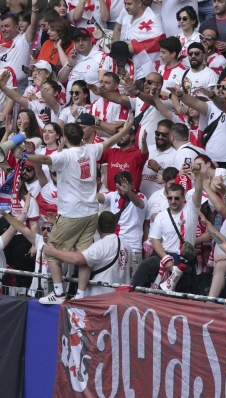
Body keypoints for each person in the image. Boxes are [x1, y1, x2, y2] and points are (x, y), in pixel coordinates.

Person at [32, 116, 134, 304]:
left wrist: (25, 156)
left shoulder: (65, 156)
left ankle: (59, 293)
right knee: (85, 256)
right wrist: (125, 128)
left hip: (71, 214)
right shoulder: (91, 149)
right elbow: (111, 140)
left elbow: (45, 158)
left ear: (63, 137)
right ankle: (80, 295)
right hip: (90, 214)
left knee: (50, 251)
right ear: (82, 137)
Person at [168, 78, 226, 175]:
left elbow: (225, 106)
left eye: (225, 87)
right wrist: (180, 95)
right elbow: (195, 103)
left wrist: (212, 95)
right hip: (211, 161)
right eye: (218, 86)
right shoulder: (211, 105)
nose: (220, 89)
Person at [43, 211, 132, 298]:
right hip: (121, 298)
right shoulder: (126, 245)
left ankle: (58, 294)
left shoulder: (101, 245)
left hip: (100, 298)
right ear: (115, 225)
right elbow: (130, 270)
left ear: (97, 226)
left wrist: (53, 252)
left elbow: (78, 259)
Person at [113, 0, 166, 69]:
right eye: (124, 4)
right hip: (125, 62)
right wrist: (117, 49)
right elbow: (117, 29)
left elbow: (158, 40)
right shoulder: (126, 15)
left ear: (139, 3)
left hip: (144, 65)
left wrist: (134, 47)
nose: (126, 7)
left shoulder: (153, 18)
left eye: (129, 4)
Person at [58, 27, 102, 96]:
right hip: (71, 106)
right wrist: (70, 64)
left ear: (90, 41)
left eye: (84, 40)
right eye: (77, 41)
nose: (81, 43)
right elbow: (61, 80)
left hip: (92, 105)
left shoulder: (101, 57)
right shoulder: (73, 57)